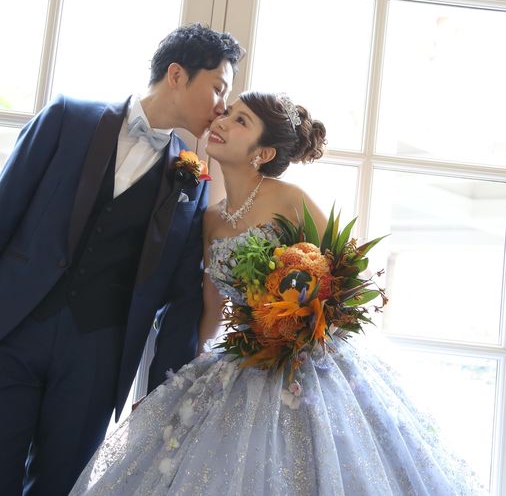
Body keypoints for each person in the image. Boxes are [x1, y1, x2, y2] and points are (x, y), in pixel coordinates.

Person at [70, 91, 483, 495]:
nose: (221, 122)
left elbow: (351, 272)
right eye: (227, 113)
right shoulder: (211, 218)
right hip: (245, 359)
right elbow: (212, 309)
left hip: (309, 362)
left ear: (263, 153)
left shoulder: (289, 198)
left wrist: (304, 319)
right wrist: (182, 378)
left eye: (240, 121)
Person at [0, 23, 244, 495]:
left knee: (61, 485)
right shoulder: (66, 118)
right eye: (218, 88)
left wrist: (167, 397)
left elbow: (182, 298)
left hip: (98, 358)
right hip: (12, 332)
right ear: (177, 74)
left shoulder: (193, 182)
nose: (221, 106)